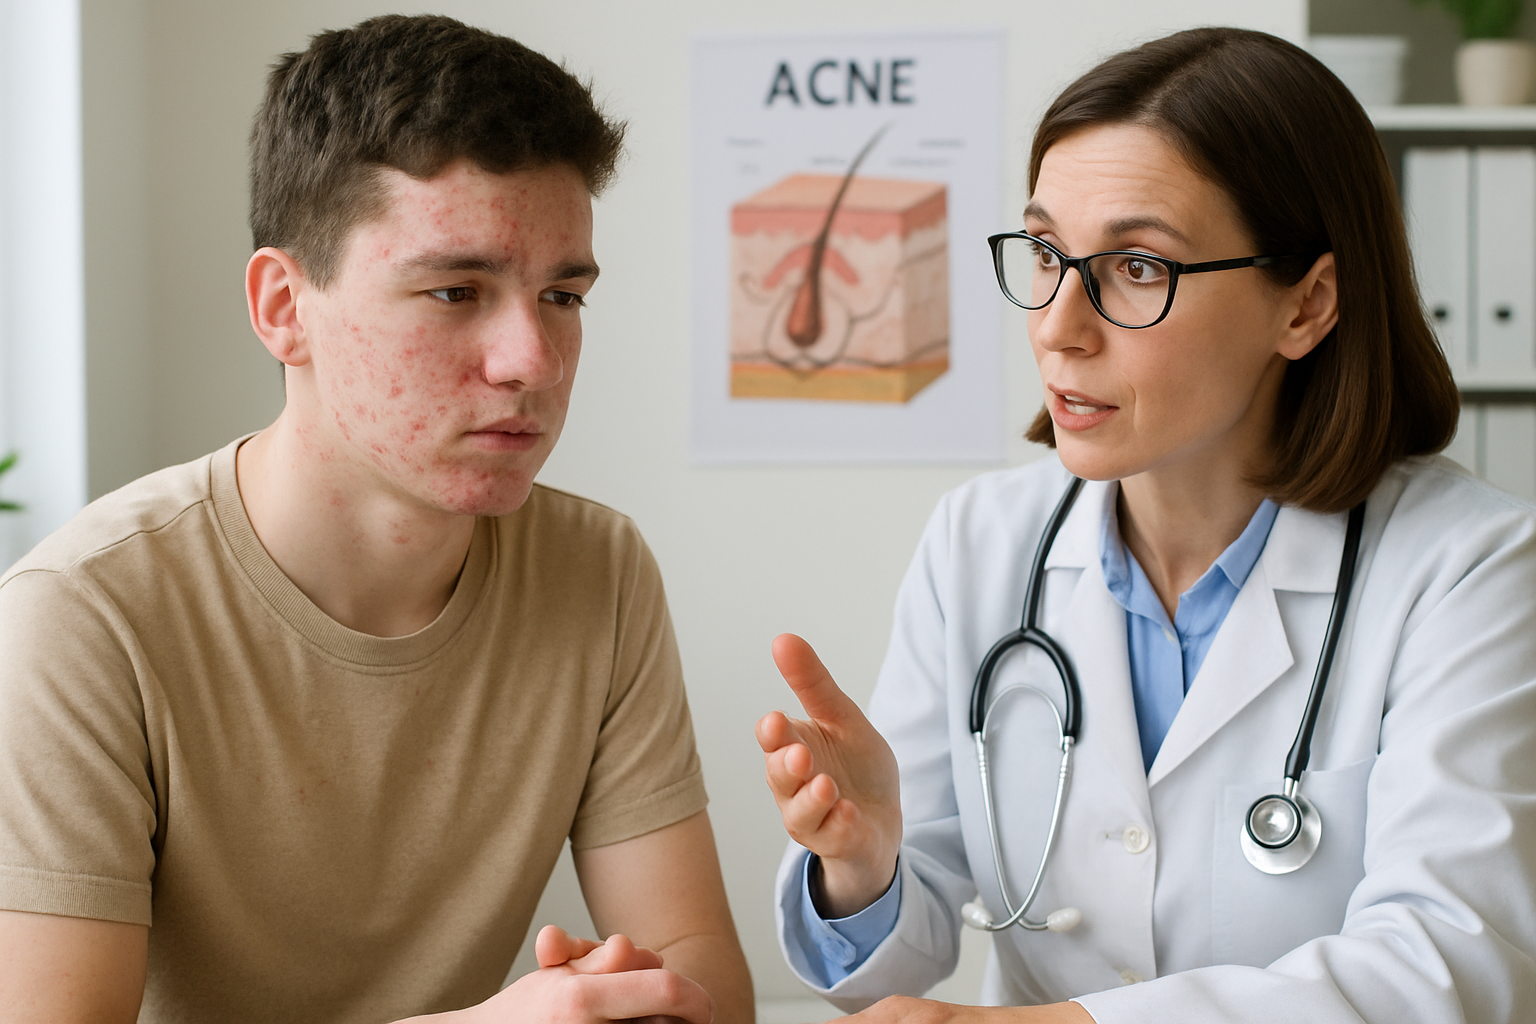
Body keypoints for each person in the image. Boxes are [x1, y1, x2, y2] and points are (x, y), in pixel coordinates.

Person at [758, 26, 1536, 1024]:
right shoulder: (981, 544)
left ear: (1307, 305)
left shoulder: (1468, 566)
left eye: (1134, 266)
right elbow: (889, 960)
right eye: (1046, 252)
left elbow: (1447, 966)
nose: (1056, 326)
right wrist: (863, 867)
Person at [0, 15, 752, 1024]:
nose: (531, 359)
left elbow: (704, 979)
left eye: (563, 295)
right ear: (281, 305)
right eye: (455, 289)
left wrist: (633, 998)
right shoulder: (81, 616)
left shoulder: (598, 568)